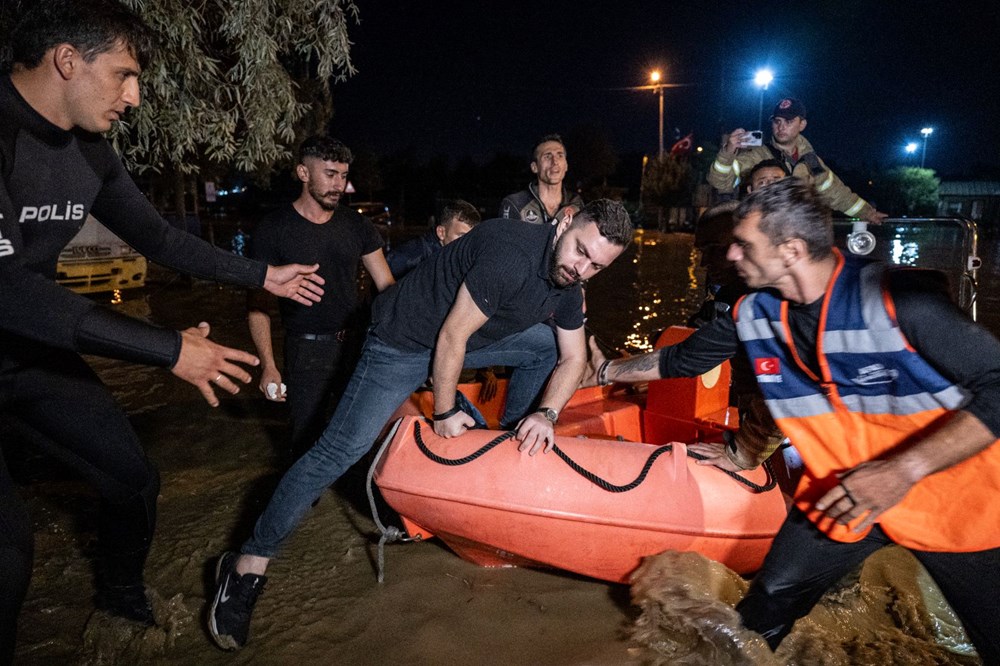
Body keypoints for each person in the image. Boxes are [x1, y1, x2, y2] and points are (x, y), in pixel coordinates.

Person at [0, 0, 323, 658]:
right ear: (68, 60)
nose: (136, 96)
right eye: (123, 75)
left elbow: (159, 238)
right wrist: (170, 349)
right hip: (18, 317)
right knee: (8, 556)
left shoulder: (89, 153)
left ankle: (119, 597)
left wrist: (264, 276)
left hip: (29, 355)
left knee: (132, 478)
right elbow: (7, 291)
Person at [587, 179, 1000, 662]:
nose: (732, 255)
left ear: (791, 250)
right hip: (843, 496)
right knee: (759, 617)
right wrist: (602, 371)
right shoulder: (751, 313)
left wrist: (901, 471)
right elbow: (680, 360)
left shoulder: (899, 301)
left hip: (957, 504)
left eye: (744, 244)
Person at [207, 200, 634, 650]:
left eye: (596, 266)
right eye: (580, 252)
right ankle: (245, 566)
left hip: (464, 341)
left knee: (546, 345)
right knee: (335, 451)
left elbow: (574, 357)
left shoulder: (570, 284)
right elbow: (452, 335)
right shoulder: (511, 254)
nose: (581, 269)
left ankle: (513, 437)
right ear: (565, 222)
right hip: (401, 341)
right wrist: (445, 413)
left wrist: (544, 416)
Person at [248, 136, 394, 459]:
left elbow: (387, 287)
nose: (338, 184)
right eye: (329, 174)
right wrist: (269, 366)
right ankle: (305, 505)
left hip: (355, 347)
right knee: (305, 443)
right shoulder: (272, 229)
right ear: (303, 172)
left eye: (343, 175)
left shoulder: (358, 225)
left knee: (360, 437)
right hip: (305, 350)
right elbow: (258, 305)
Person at [683, 203, 785, 472]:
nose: (705, 262)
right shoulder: (734, 296)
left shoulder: (774, 302)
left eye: (713, 250)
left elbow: (778, 388)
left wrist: (743, 454)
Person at [708, 98, 887, 224]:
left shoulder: (811, 160)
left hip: (798, 233)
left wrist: (867, 213)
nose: (781, 127)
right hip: (765, 233)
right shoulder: (756, 156)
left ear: (802, 125)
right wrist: (728, 150)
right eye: (777, 121)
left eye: (789, 121)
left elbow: (835, 193)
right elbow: (719, 181)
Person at [500, 134, 583, 225]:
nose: (554, 162)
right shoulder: (515, 204)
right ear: (534, 167)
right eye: (547, 156)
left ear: (566, 165)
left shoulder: (577, 203)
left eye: (560, 156)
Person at [387, 199, 480, 280]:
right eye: (461, 237)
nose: (467, 244)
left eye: (471, 238)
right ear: (441, 232)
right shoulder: (410, 258)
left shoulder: (467, 258)